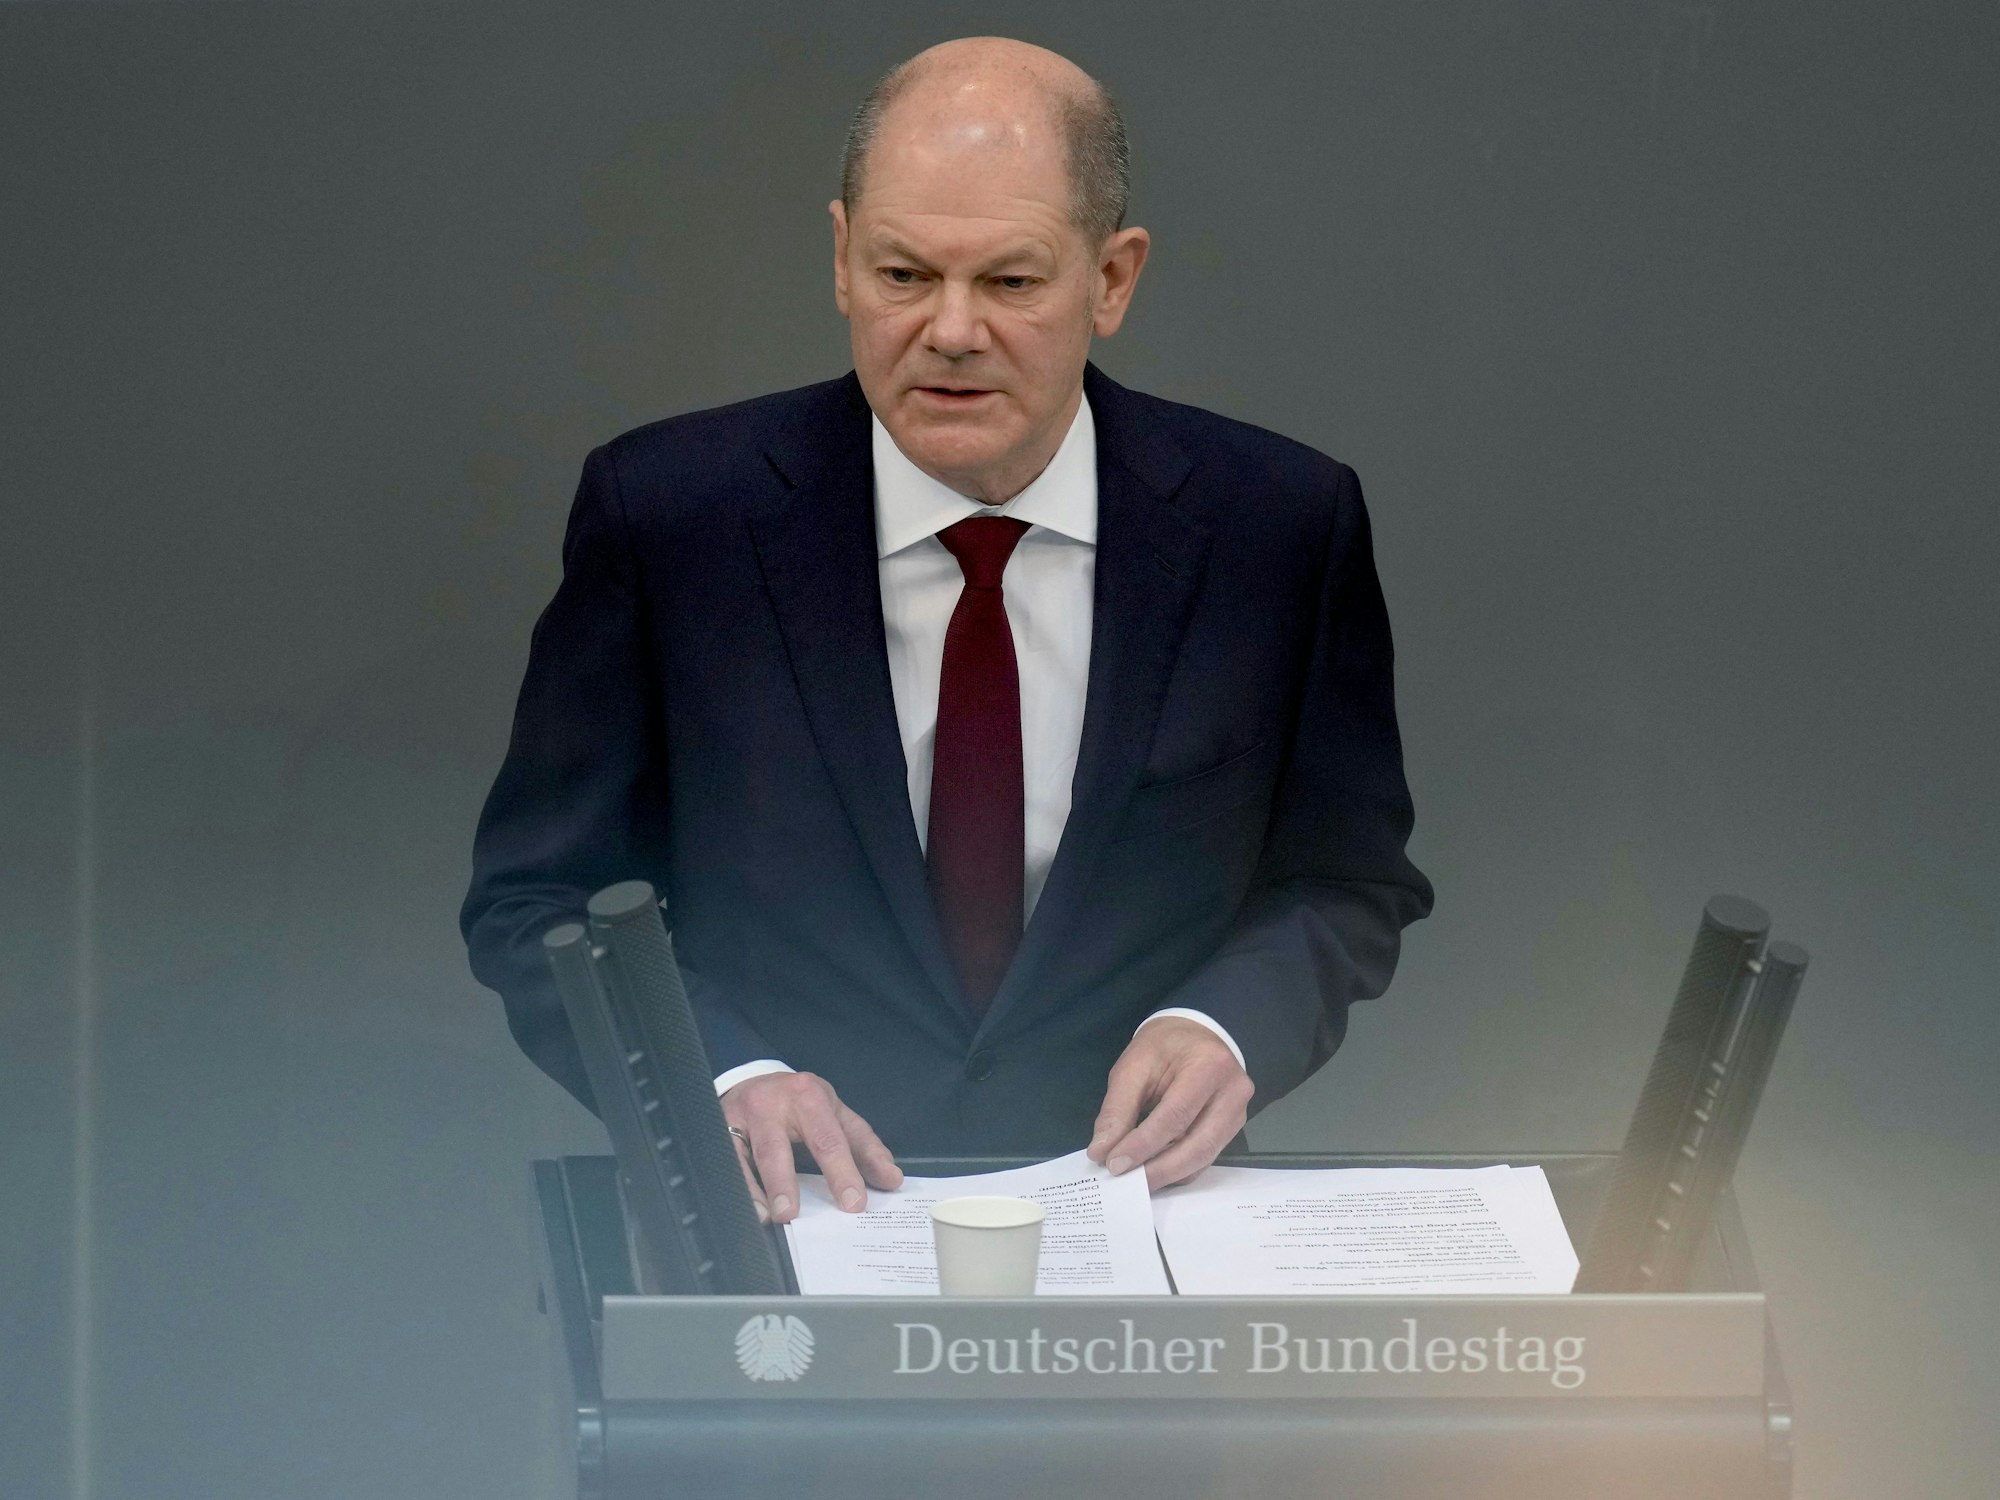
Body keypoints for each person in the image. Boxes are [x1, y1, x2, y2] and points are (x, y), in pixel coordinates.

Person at [460, 36, 1432, 1227]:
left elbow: (1342, 880)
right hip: (794, 1222)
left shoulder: (1277, 526)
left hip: (1130, 1227)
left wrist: (1225, 1025)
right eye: (903, 275)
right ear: (838, 260)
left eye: (1011, 283)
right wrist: (720, 1073)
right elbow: (540, 900)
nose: (951, 330)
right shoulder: (670, 517)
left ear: (1112, 279)